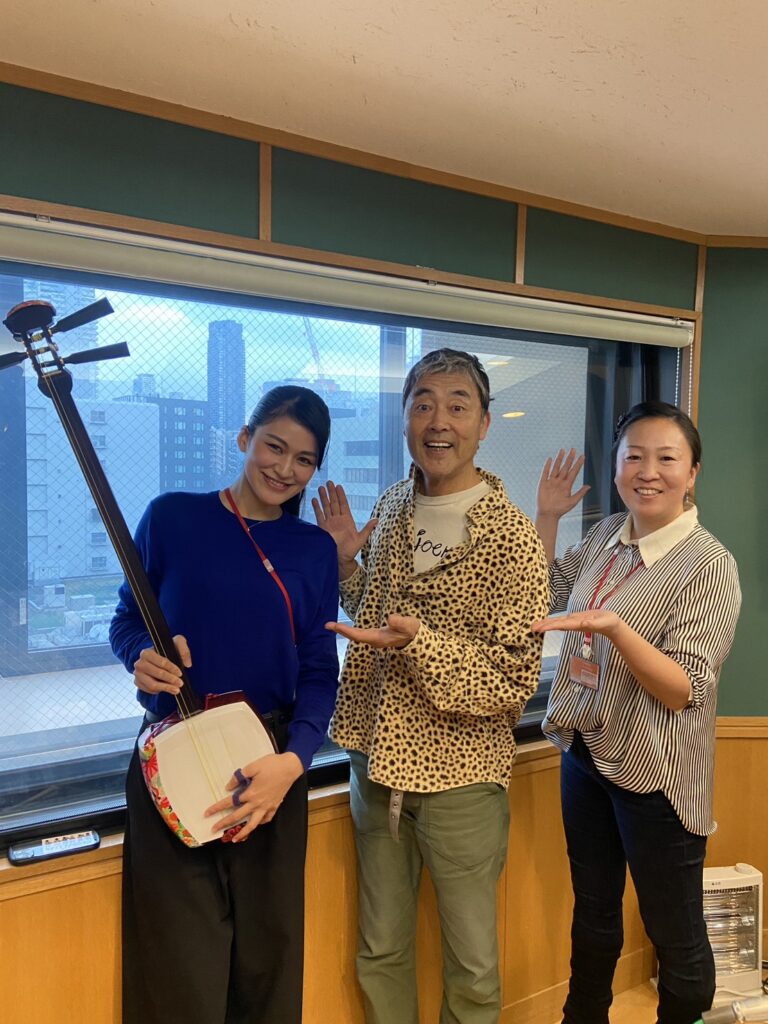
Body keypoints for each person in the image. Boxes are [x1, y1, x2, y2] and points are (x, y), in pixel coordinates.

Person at [312, 348, 549, 1024]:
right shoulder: (392, 505)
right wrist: (346, 567)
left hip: (463, 779)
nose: (438, 421)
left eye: (456, 405)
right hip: (375, 763)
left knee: (472, 968)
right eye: (422, 404)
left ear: (484, 424)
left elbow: (512, 679)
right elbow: (376, 619)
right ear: (405, 418)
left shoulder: (512, 538)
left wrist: (421, 644)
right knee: (380, 949)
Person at [110, 385, 340, 1024]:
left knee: (269, 960)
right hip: (173, 750)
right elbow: (126, 619)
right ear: (244, 438)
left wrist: (294, 760)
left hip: (271, 765)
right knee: (177, 965)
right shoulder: (171, 518)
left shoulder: (314, 551)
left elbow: (320, 669)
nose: (284, 469)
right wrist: (140, 656)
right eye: (274, 446)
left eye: (303, 459)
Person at [532, 401, 742, 1024]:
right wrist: (547, 516)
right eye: (634, 457)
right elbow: (546, 591)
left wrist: (618, 631)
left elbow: (685, 689)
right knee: (593, 911)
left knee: (674, 932)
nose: (648, 472)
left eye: (666, 458)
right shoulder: (605, 535)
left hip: (659, 775)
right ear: (618, 465)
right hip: (587, 751)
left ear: (692, 472)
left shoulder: (708, 564)